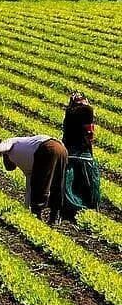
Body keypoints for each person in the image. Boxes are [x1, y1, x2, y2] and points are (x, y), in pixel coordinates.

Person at [0, 131, 69, 225]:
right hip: (62, 149)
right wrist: (26, 209)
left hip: (47, 148)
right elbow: (29, 187)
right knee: (57, 184)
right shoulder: (25, 159)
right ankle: (54, 217)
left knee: (39, 186)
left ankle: (37, 217)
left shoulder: (11, 142)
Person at [61, 92, 101, 220]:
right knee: (88, 180)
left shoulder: (68, 113)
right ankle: (87, 205)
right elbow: (89, 133)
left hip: (69, 150)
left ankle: (70, 206)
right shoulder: (87, 111)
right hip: (82, 151)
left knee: (70, 180)